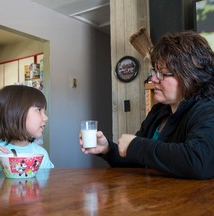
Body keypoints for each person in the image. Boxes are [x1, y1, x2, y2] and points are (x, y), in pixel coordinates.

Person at [80, 31, 214, 179]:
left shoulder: (207, 109)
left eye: (163, 73)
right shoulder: (159, 111)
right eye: (155, 71)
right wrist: (107, 149)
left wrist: (136, 145)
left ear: (190, 76)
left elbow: (199, 162)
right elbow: (137, 160)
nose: (153, 79)